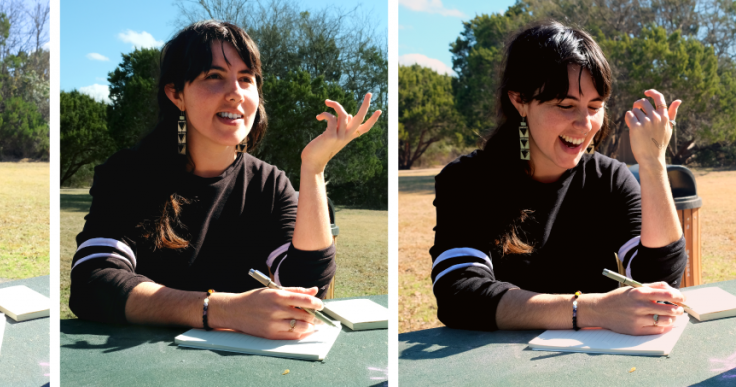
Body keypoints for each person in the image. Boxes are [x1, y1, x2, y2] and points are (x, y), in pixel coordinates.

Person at [68, 20, 381, 340]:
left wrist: (313, 168)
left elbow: (303, 287)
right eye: (214, 77)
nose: (235, 93)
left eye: (246, 79)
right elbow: (93, 281)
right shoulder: (129, 174)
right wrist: (220, 309)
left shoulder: (269, 185)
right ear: (176, 94)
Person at [430, 20, 688, 335]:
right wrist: (591, 309)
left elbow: (658, 283)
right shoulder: (467, 180)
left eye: (595, 106)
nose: (584, 123)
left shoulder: (609, 179)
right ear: (519, 101)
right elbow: (458, 292)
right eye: (565, 105)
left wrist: (652, 162)